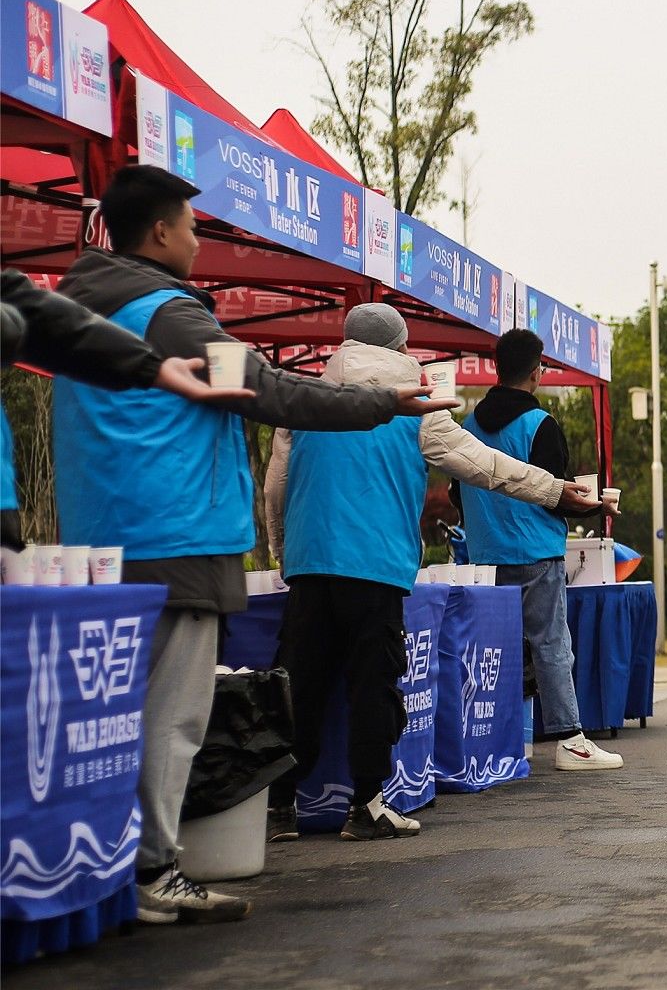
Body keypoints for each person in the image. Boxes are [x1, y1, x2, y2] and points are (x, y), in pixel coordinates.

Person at [51, 165, 457, 925]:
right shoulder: (169, 312)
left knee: (115, 716)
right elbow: (269, 389)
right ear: (162, 231)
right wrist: (386, 403)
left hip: (104, 532)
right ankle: (153, 871)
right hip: (176, 533)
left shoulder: (78, 307)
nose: (200, 241)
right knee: (171, 716)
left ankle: (118, 866)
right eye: (194, 227)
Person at [262, 304, 602, 841]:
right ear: (400, 349)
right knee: (372, 683)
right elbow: (485, 466)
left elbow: (277, 482)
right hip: (374, 565)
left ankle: (280, 806)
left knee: (299, 683)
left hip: (310, 560)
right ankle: (367, 805)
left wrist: (284, 549)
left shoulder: (307, 400)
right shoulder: (415, 407)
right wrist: (558, 489)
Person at [452, 328, 624, 772]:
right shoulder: (539, 424)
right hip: (534, 551)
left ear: (496, 368)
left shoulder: (466, 427)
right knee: (550, 644)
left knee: (493, 649)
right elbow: (557, 492)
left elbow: (457, 494)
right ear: (535, 372)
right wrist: (598, 503)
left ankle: (498, 740)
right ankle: (570, 740)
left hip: (484, 554)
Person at [3, 268, 253, 550]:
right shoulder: (159, 309)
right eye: (189, 230)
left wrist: (151, 367)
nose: (195, 244)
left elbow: (37, 312)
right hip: (167, 538)